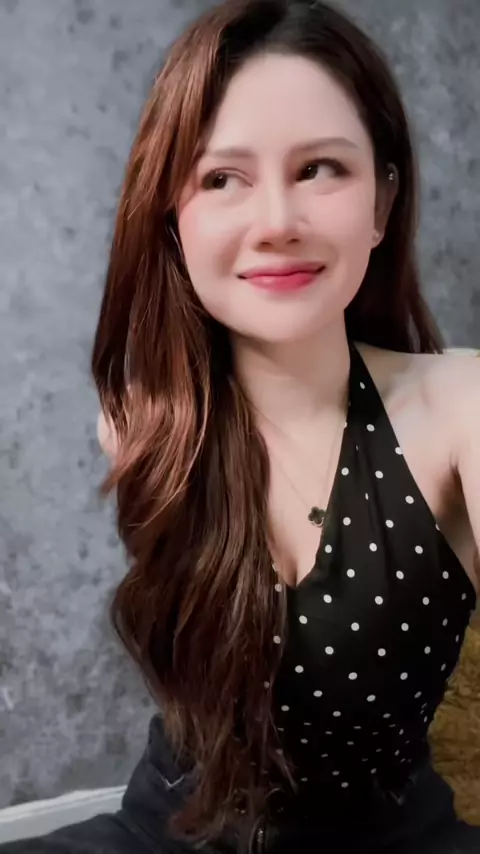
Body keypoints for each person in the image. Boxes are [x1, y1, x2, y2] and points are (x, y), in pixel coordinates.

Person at [3, 0, 479, 851]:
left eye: (320, 169)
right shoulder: (145, 423)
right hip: (164, 833)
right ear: (172, 216)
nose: (276, 223)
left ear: (382, 199)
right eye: (222, 178)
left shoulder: (462, 407)